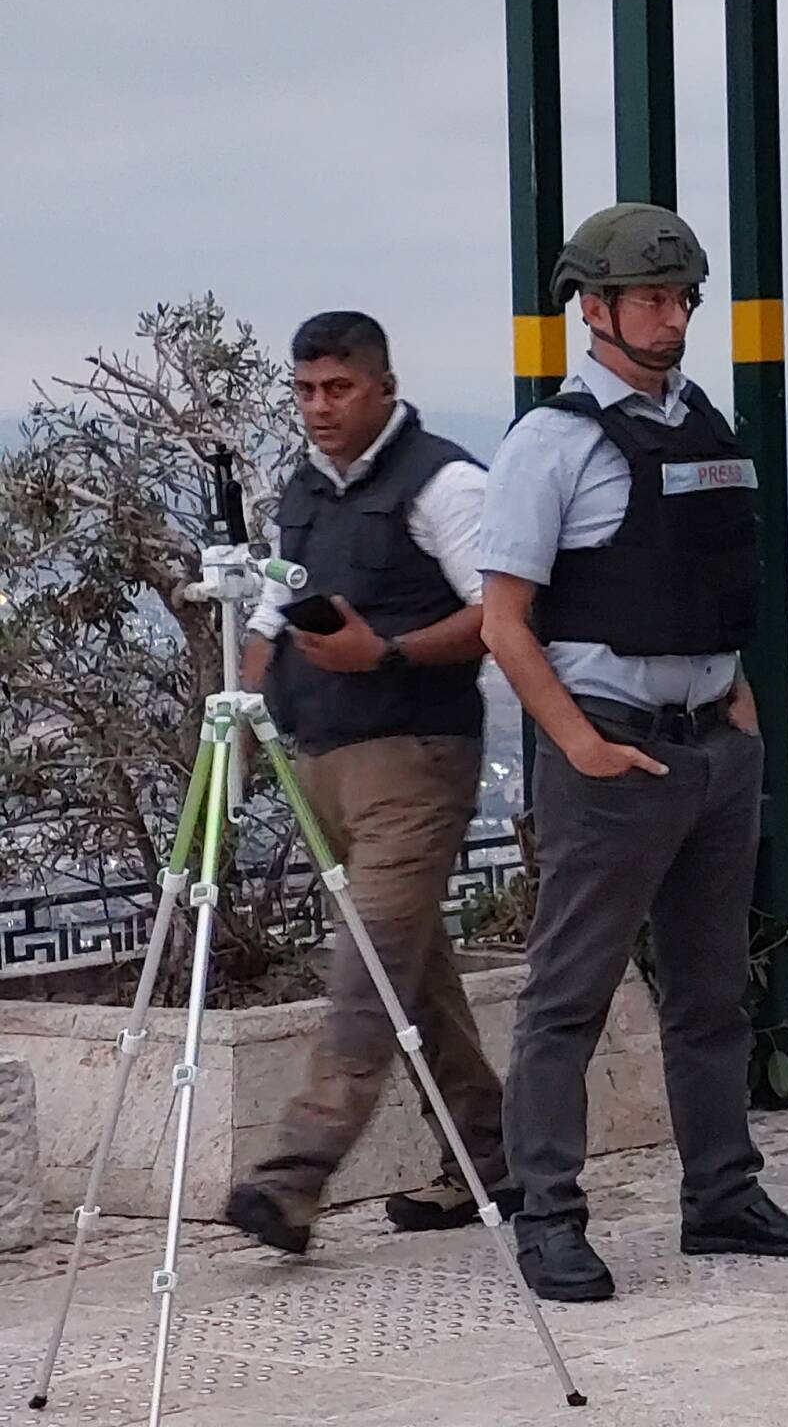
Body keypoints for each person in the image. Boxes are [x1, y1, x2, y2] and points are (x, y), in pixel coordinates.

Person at [478, 203, 788, 1303]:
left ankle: (722, 1196)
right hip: (616, 755)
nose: (673, 316)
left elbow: (710, 589)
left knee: (713, 991)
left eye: (682, 296)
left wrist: (739, 713)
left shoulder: (704, 425)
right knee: (568, 997)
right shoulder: (553, 444)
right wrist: (580, 745)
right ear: (593, 308)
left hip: (709, 752)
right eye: (650, 297)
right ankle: (548, 1215)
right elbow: (504, 620)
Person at [226, 313, 510, 1254]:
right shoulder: (303, 491)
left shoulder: (445, 484)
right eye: (305, 390)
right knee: (415, 977)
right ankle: (496, 1158)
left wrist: (381, 650)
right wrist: (245, 709)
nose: (319, 408)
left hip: (415, 762)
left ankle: (290, 1180)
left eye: (337, 389)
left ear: (382, 386)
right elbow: (272, 610)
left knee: (366, 973)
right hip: (320, 763)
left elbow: (499, 617)